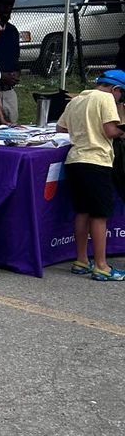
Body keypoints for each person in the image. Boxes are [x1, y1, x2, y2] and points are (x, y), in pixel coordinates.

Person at [56, 69, 125, 281]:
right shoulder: (105, 98)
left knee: (82, 211)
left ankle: (81, 260)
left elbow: (60, 128)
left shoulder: (77, 100)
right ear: (116, 89)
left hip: (75, 160)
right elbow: (110, 131)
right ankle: (102, 265)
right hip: (97, 161)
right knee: (99, 214)